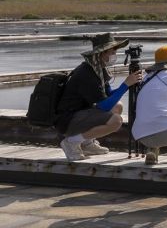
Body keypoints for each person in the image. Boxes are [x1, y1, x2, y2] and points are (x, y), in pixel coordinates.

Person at [55, 33, 143, 161]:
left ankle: (87, 143)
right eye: (112, 52)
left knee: (117, 106)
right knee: (116, 121)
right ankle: (71, 142)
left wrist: (128, 84)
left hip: (79, 115)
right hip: (67, 120)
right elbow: (103, 105)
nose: (114, 55)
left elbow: (107, 96)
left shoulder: (98, 69)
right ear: (101, 53)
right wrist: (125, 85)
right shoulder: (87, 73)